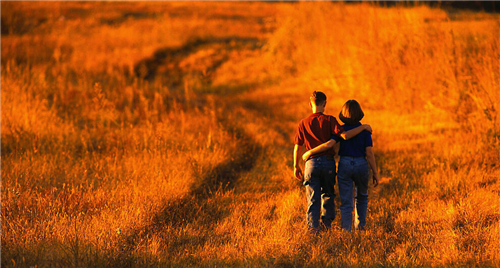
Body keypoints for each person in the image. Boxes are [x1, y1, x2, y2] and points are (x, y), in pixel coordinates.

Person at [293, 92, 372, 234]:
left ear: (310, 104)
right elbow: (343, 136)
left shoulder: (302, 123)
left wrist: (296, 165)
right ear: (325, 104)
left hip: (310, 164)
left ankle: (313, 230)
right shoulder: (330, 120)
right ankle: (326, 226)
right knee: (328, 194)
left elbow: (297, 147)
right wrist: (364, 127)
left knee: (312, 198)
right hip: (328, 163)